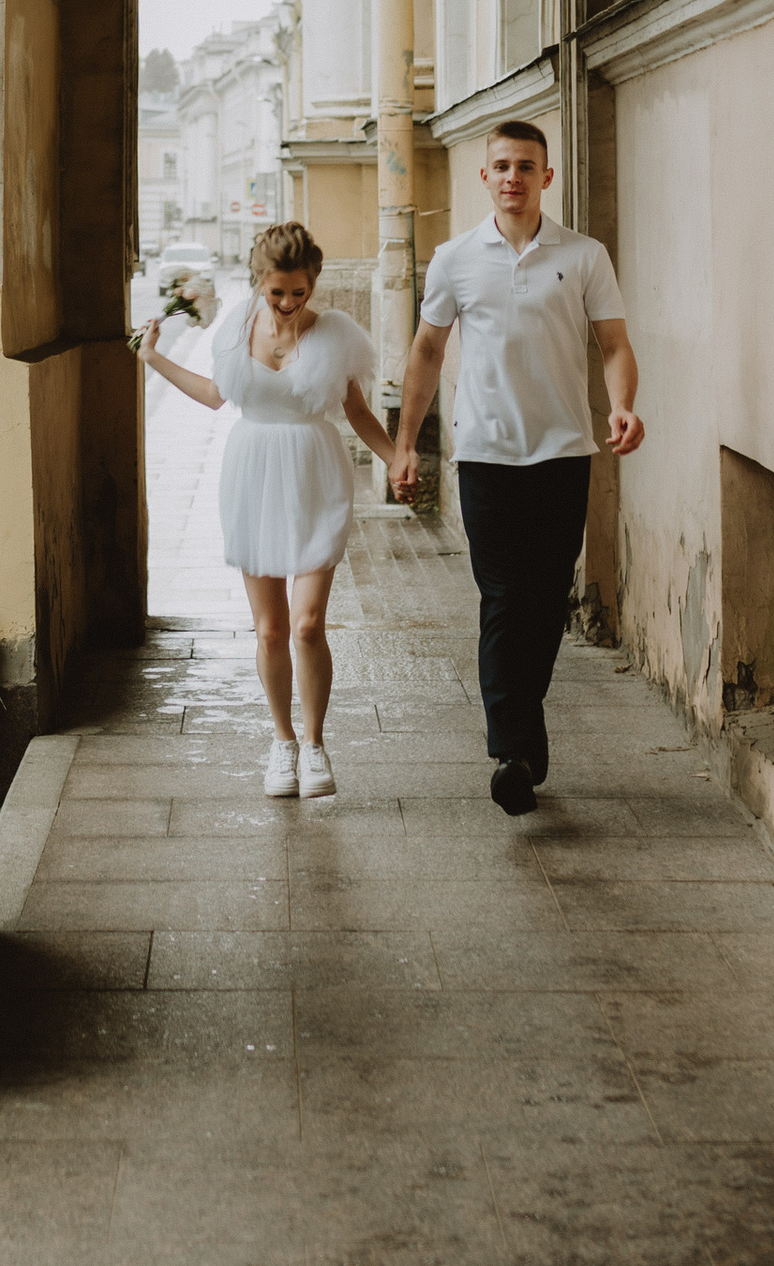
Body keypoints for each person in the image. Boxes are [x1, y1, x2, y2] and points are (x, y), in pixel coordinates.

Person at [387, 121, 642, 816]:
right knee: (502, 599)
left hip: (563, 454)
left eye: (526, 166)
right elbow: (426, 354)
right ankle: (512, 751)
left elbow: (614, 343)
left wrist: (622, 406)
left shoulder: (584, 256)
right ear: (485, 177)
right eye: (500, 165)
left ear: (546, 177)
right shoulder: (454, 258)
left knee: (545, 601)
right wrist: (406, 443)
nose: (512, 177)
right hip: (487, 455)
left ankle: (524, 733)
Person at [139, 221, 392, 799]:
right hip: (252, 473)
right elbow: (213, 395)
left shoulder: (335, 336)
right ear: (260, 282)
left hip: (315, 473)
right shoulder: (235, 330)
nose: (286, 304)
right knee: (272, 628)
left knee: (307, 624)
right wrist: (153, 357)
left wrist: (397, 456)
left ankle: (315, 743)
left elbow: (355, 412)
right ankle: (282, 744)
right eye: (276, 292)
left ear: (313, 284)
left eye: (298, 293)